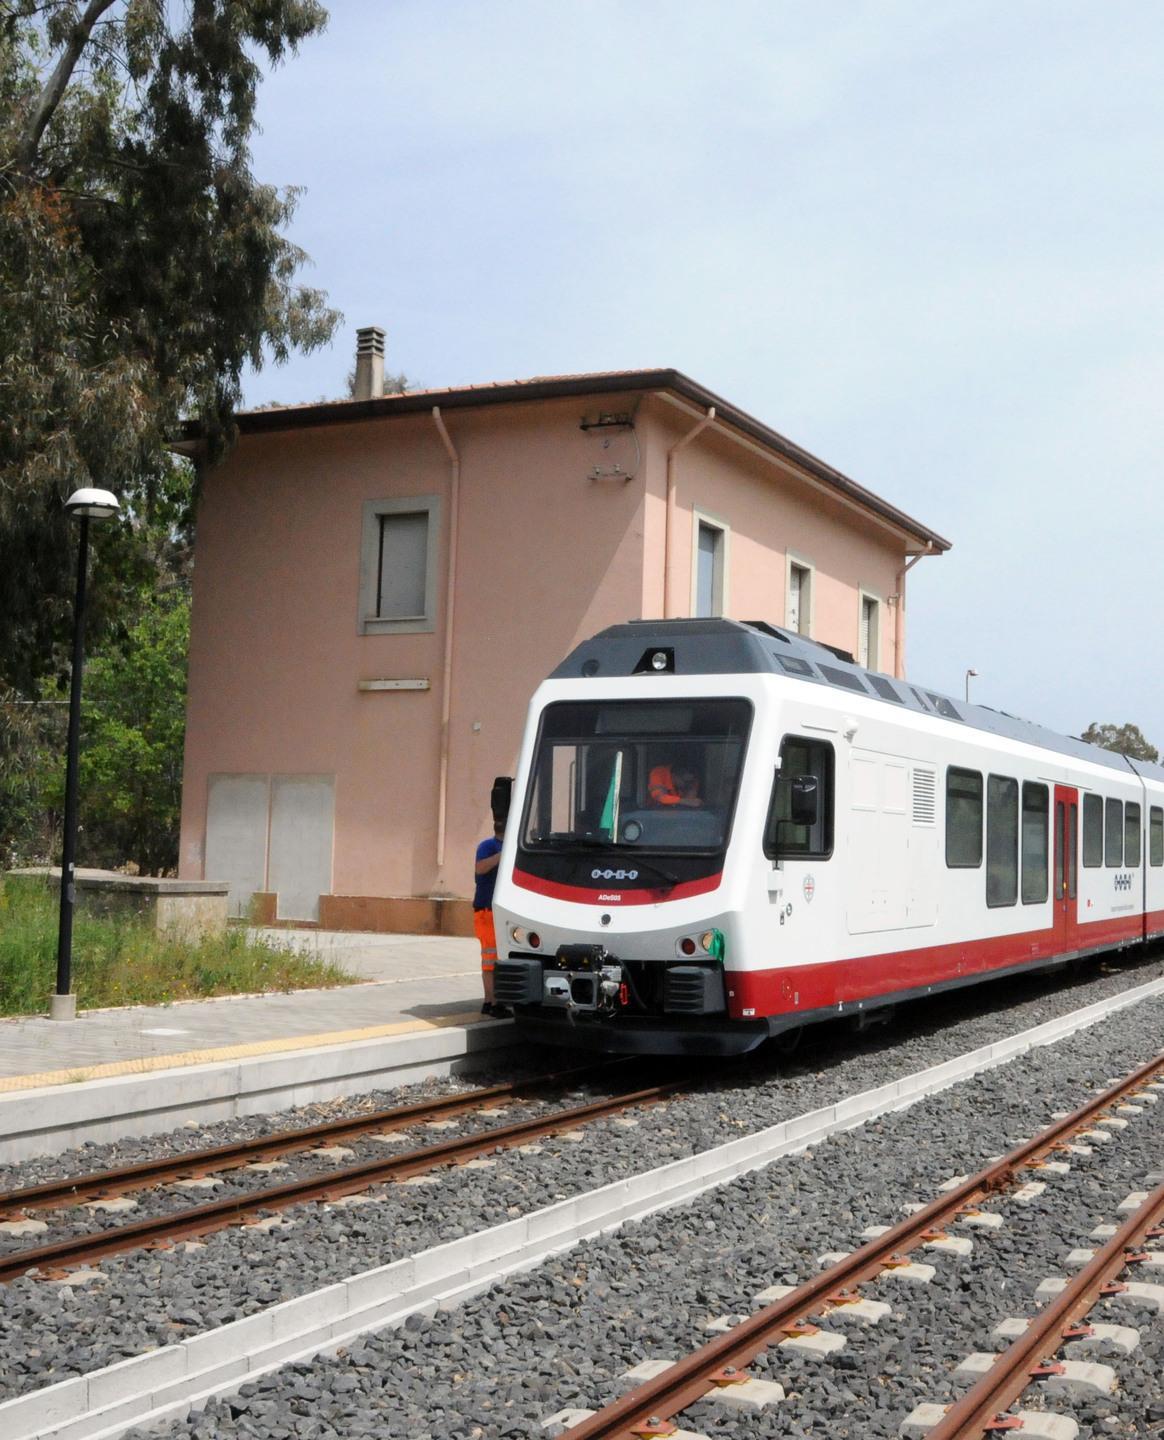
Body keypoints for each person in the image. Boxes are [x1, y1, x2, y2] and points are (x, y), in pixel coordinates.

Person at [474, 821, 510, 1018]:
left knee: (493, 960)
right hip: (487, 911)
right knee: (490, 960)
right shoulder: (488, 846)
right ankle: (493, 1003)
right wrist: (502, 855)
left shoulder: (509, 845)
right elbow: (480, 868)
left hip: (496, 912)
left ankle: (491, 1002)